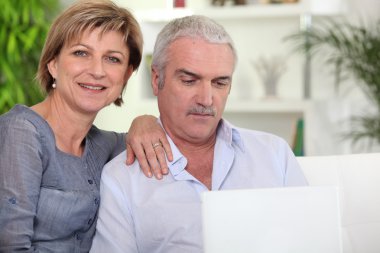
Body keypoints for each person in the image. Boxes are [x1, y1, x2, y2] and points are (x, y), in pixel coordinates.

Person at [90, 15, 308, 253]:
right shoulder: (122, 179)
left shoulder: (275, 154)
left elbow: (313, 242)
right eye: (189, 80)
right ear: (156, 79)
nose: (206, 99)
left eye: (220, 83)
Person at [0, 1, 172, 252]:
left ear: (126, 75)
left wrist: (143, 120)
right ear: (53, 63)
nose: (97, 71)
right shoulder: (21, 133)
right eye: (81, 53)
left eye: (113, 59)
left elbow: (160, 141)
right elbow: (10, 247)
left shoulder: (105, 145)